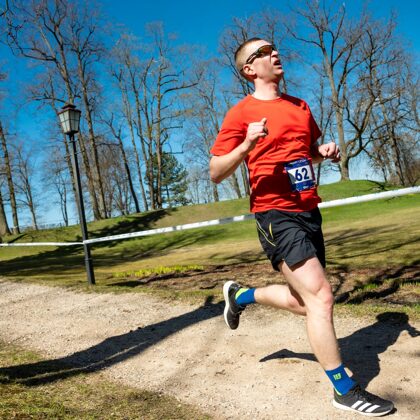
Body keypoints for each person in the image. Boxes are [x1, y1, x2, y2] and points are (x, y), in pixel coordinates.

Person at [209, 37, 394, 417]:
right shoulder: (240, 113)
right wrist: (246, 145)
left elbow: (305, 152)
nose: (274, 54)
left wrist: (322, 152)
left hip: (309, 210)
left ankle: (240, 296)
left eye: (274, 48)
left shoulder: (300, 106)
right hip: (274, 214)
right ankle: (344, 390)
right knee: (321, 297)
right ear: (249, 69)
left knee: (303, 302)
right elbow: (215, 171)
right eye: (263, 52)